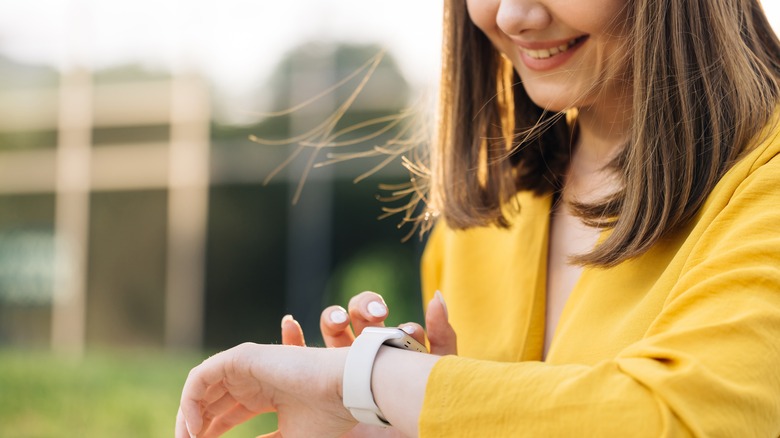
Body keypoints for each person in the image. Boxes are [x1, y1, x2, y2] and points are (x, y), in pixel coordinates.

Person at [176, 0, 780, 436]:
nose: (513, 14)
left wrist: (362, 378)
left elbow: (677, 420)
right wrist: (390, 424)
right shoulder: (483, 221)